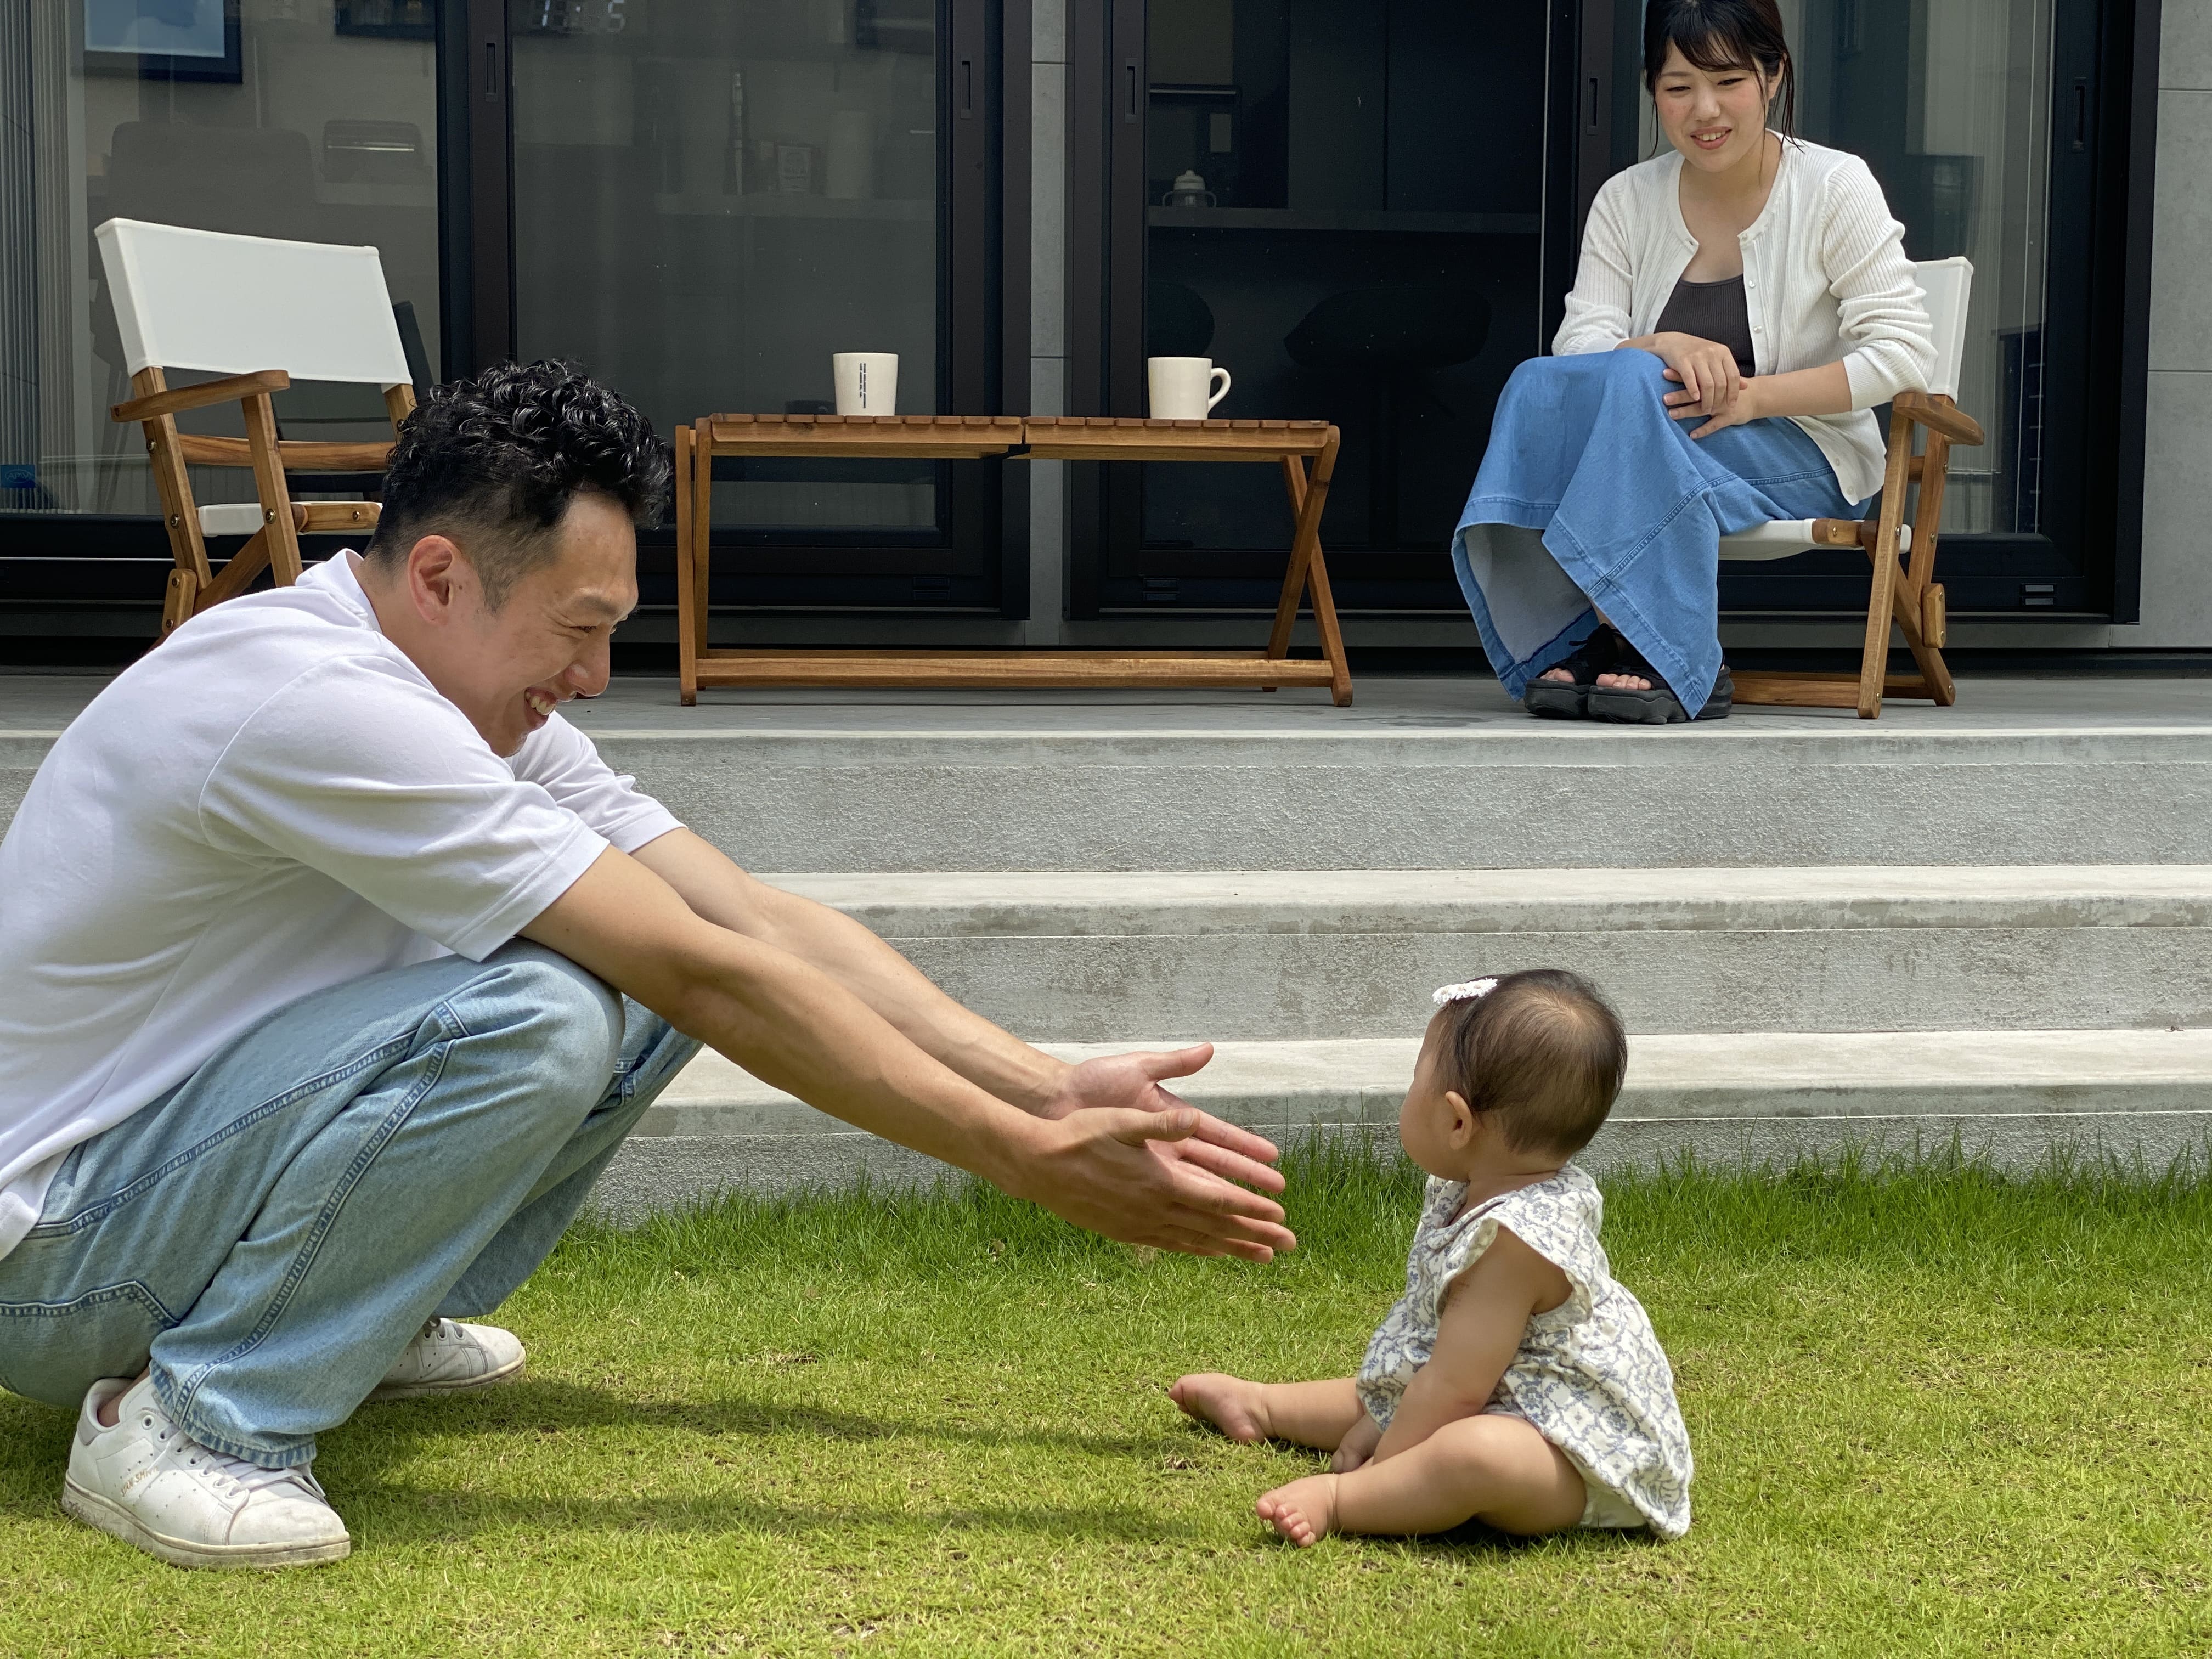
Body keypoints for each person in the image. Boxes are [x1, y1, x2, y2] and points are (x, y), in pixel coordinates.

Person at [0, 360, 1293, 1571]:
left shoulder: (454, 690)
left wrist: (1044, 1088)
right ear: (442, 576)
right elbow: (704, 975)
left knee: (646, 974)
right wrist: (1013, 1159)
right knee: (550, 1009)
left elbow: (744, 924)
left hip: (156, 1183)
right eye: (578, 629)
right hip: (54, 1256)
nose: (597, 677)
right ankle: (196, 1419)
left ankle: (354, 1319)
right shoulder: (316, 699)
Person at [1453, 0, 1935, 724]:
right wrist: (1663, 345)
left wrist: (1753, 398)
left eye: (1728, 81)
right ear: (1653, 91)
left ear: (1773, 76)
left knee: (1632, 388)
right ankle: (1592, 633)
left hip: (1801, 455)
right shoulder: (1627, 199)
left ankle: (1665, 650)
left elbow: (1903, 355)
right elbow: (1579, 353)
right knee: (1539, 384)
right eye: (1679, 87)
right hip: (1656, 441)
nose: (1704, 111)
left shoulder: (1834, 189)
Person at [1169, 970, 1691, 1545]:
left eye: (1415, 1079)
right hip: (1507, 1387)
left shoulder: (1515, 1242)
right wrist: (1382, 1415)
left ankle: (1344, 1500)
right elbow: (1434, 1379)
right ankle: (1263, 1405)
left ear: (1457, 1121)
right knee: (1386, 1389)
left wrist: (1386, 1459)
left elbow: (1454, 1390)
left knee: (1471, 1452)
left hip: (1571, 1456)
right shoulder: (1486, 1188)